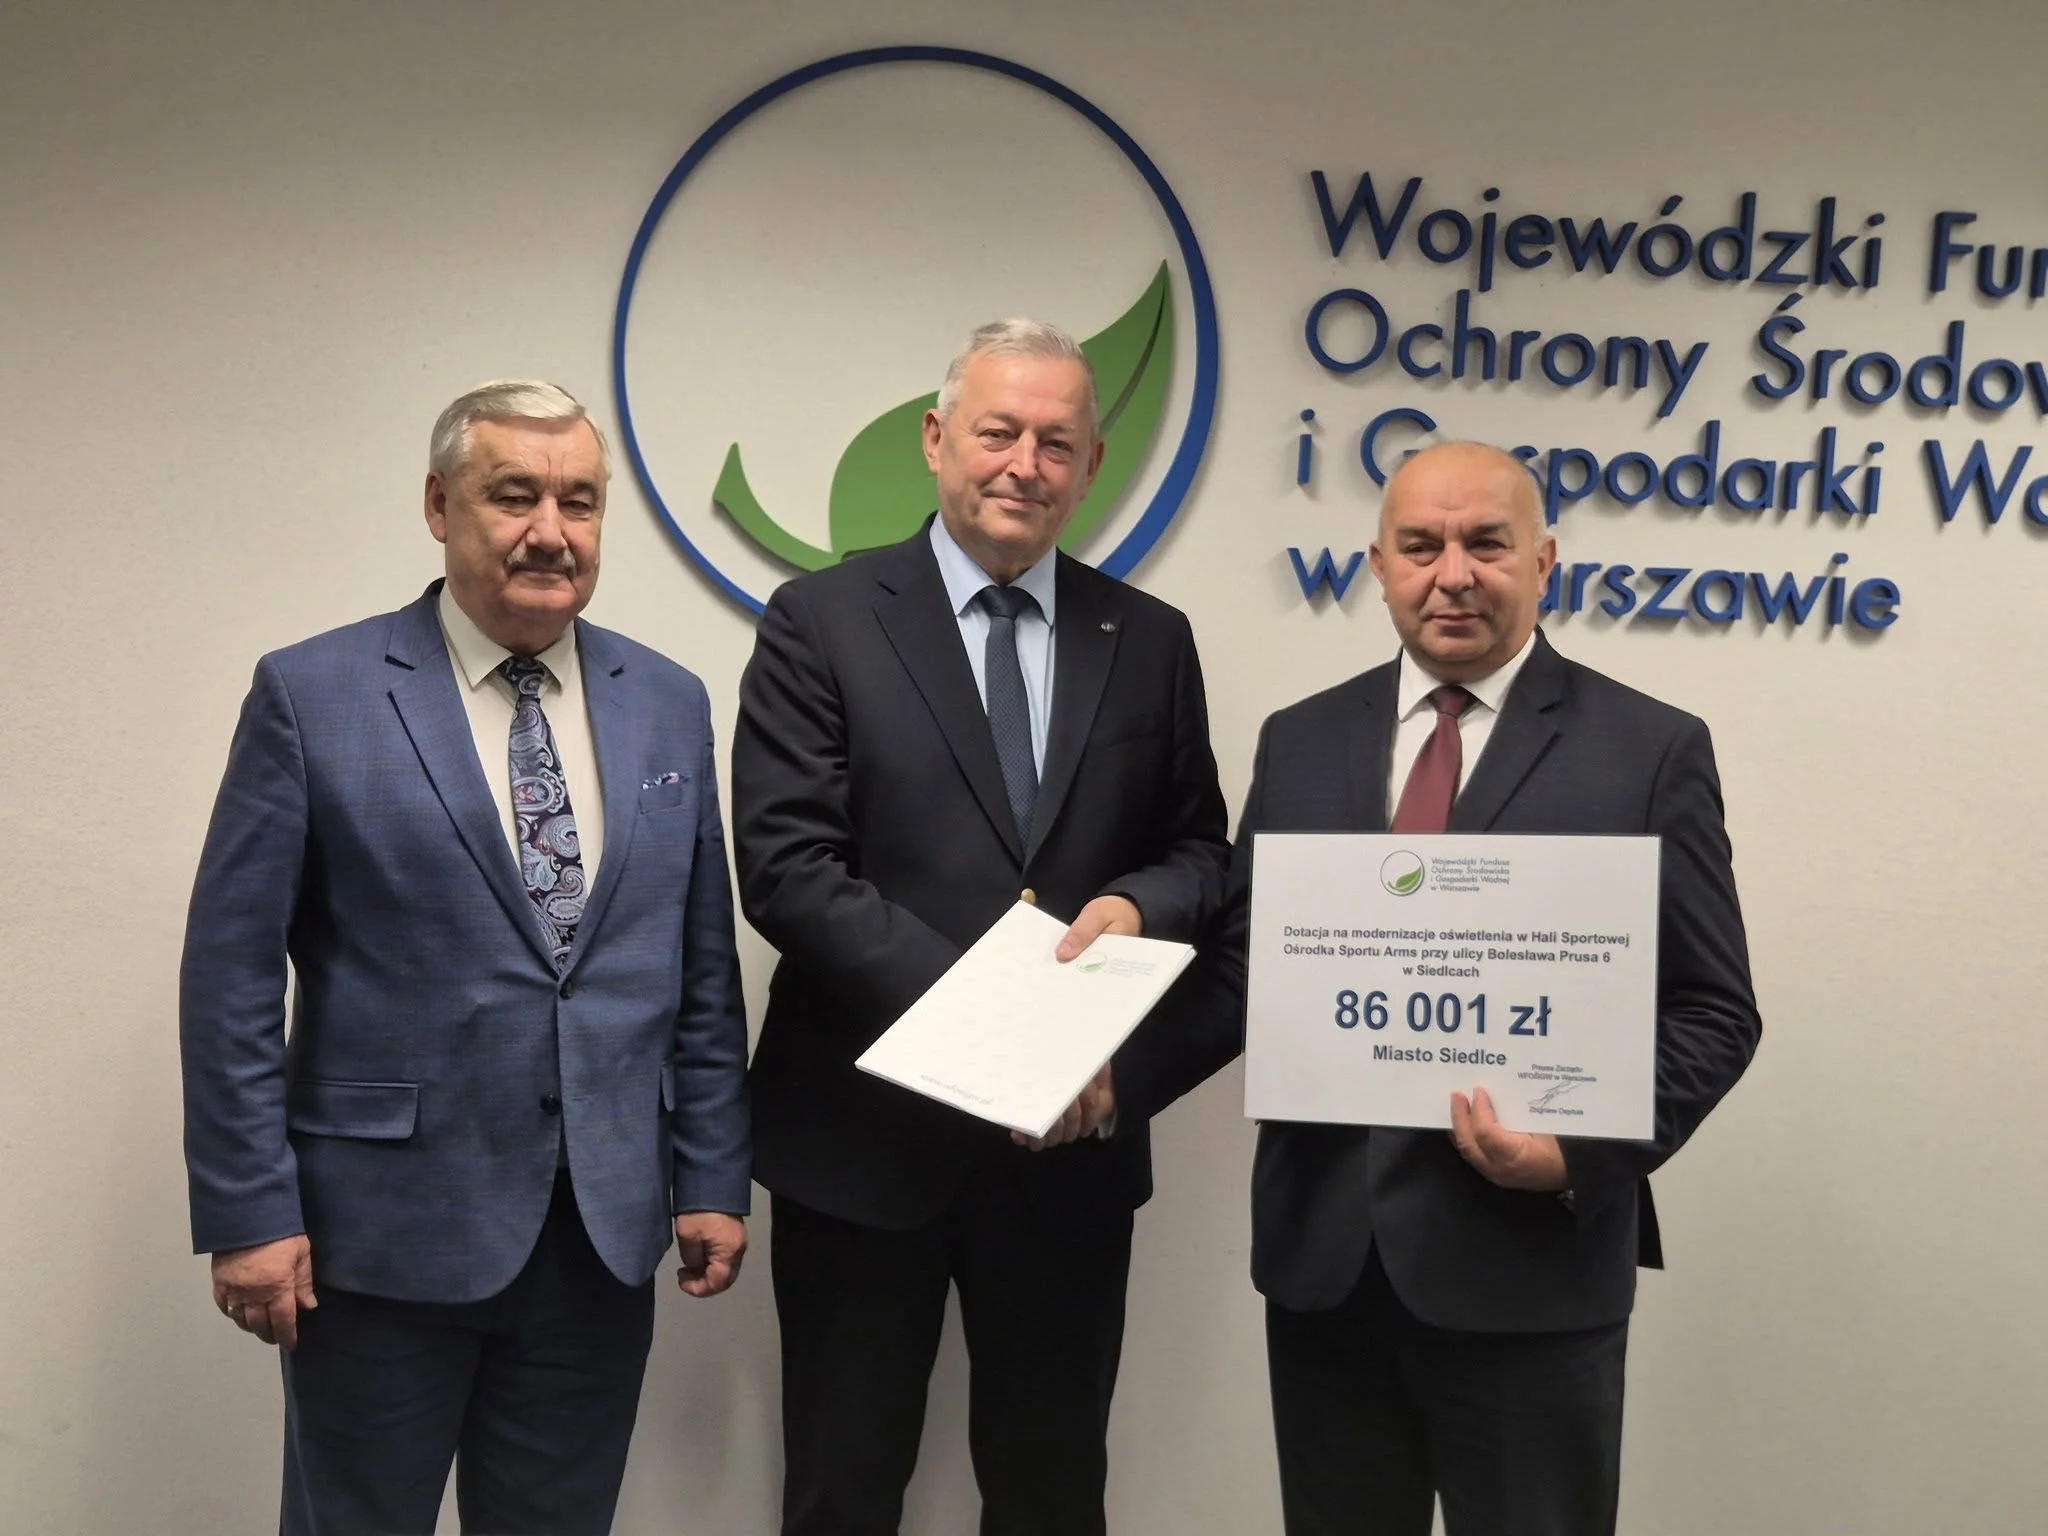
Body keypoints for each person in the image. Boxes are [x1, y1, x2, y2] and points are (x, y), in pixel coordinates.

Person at [179, 380, 752, 1536]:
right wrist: (247, 1209)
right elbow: (230, 974)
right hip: (378, 1241)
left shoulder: (667, 703)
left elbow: (700, 968)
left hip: (598, 1237)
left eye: (578, 502)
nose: (551, 531)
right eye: (513, 495)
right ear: (441, 506)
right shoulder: (314, 694)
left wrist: (710, 1177)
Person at [1166, 441, 1762, 1535]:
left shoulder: (1649, 750)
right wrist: (1108, 1077)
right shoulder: (1300, 741)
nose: (1452, 574)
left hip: (1531, 1277)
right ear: (1378, 565)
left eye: (1486, 544)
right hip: (1328, 1270)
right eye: (1420, 546)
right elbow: (1251, 970)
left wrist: (1575, 1153)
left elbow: (1713, 1010)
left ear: (1543, 562)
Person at [731, 318, 1230, 1536]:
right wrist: (992, 1023)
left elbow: (1200, 854)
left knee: (1051, 1494)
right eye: (998, 432)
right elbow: (787, 869)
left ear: (1091, 465)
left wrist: (1140, 904)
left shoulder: (1148, 640)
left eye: (1056, 443)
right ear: (935, 439)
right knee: (842, 1492)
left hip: (1064, 1155)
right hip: (860, 1145)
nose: (1024, 465)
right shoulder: (820, 620)